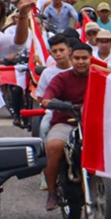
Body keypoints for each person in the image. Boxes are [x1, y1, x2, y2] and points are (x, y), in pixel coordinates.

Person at [41, 42, 92, 210]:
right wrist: (60, 105)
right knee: (54, 146)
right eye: (77, 58)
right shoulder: (61, 78)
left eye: (84, 58)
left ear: (92, 59)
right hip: (66, 122)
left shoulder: (99, 77)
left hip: (93, 124)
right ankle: (52, 192)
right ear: (71, 58)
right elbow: (47, 98)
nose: (81, 61)